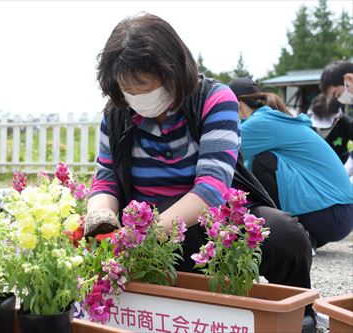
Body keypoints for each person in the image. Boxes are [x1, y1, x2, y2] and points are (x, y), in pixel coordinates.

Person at [84, 13, 315, 332]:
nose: (138, 97)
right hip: (143, 222)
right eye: (128, 89)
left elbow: (211, 187)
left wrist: (142, 238)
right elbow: (106, 177)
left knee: (286, 236)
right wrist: (100, 220)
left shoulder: (213, 99)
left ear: (173, 72)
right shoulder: (117, 114)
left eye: (145, 86)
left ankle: (298, 315)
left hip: (207, 221)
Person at [228, 78, 353, 252]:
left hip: (331, 214)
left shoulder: (261, 123)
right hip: (338, 214)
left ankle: (283, 231)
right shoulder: (272, 118)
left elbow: (221, 154)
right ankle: (305, 236)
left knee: (262, 162)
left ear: (237, 103)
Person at [308, 93, 353, 166]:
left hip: (338, 165)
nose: (322, 129)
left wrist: (350, 162)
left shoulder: (347, 125)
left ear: (338, 117)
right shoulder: (306, 122)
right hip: (311, 165)